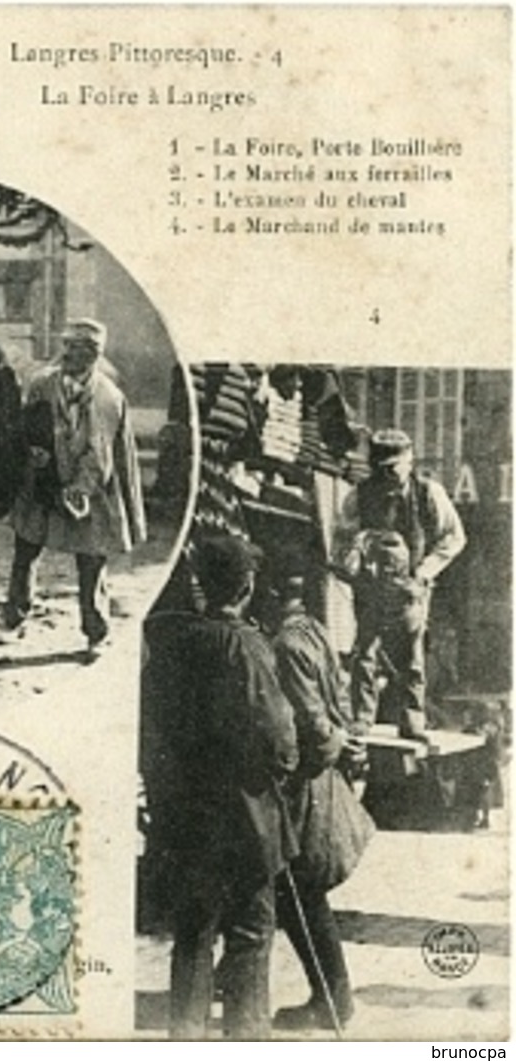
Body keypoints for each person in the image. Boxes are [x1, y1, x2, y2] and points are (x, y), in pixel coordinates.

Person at [142, 536, 298, 1039]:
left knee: (192, 938)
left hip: (184, 821)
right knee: (251, 935)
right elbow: (278, 740)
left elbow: (149, 739)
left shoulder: (168, 646)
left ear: (198, 585)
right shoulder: (247, 645)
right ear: (248, 587)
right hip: (244, 822)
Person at [265, 573, 370, 1032]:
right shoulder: (312, 629)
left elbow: (313, 725)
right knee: (300, 894)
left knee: (300, 893)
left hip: (305, 783)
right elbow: (338, 699)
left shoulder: (284, 645)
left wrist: (329, 748)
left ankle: (333, 999)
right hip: (322, 778)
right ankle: (332, 995)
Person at [5, 318, 147, 652]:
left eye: (77, 348)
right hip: (43, 480)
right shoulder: (41, 384)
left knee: (91, 558)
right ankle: (15, 611)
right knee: (26, 543)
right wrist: (30, 452)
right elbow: (24, 426)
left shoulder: (108, 399)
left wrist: (79, 489)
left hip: (91, 487)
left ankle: (95, 630)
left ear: (94, 354)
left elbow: (100, 456)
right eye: (65, 345)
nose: (67, 353)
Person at [333, 429, 466, 740]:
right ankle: (362, 718)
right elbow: (342, 537)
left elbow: (454, 537)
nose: (387, 475)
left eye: (394, 467)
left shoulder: (428, 493)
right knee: (365, 652)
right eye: (380, 469)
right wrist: (351, 560)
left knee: (411, 657)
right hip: (370, 586)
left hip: (411, 588)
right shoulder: (360, 495)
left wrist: (423, 573)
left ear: (410, 462)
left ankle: (412, 720)